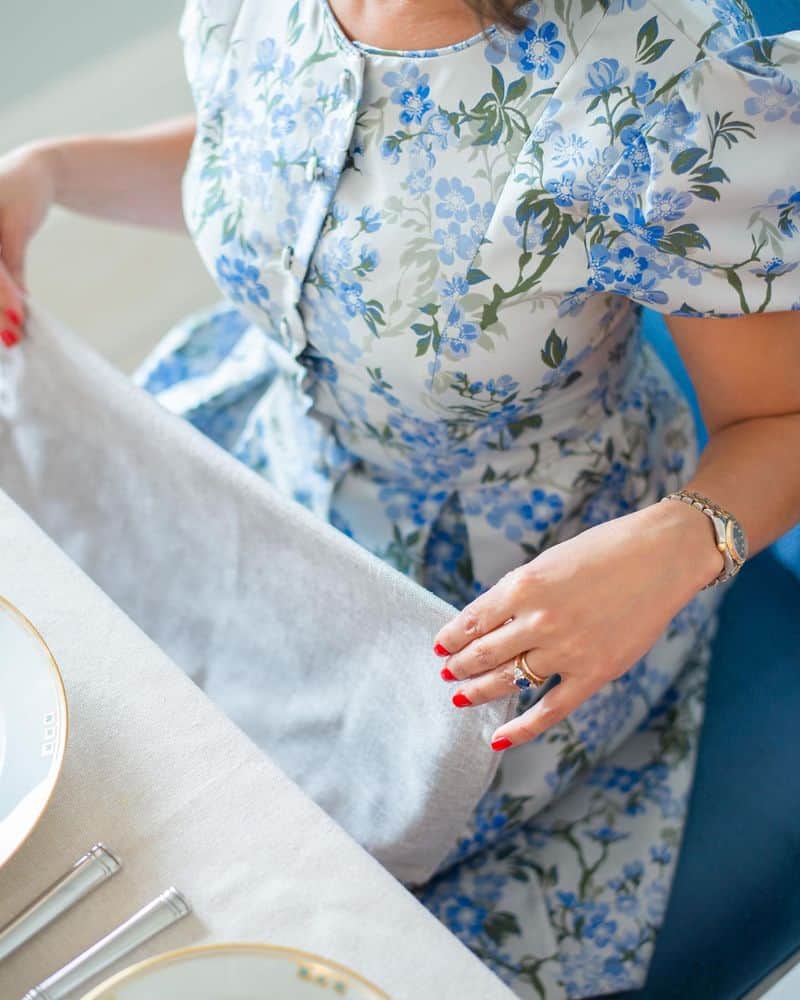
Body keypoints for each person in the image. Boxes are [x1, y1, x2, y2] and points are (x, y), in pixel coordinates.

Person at [1, 0, 798, 995]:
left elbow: (779, 424)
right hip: (259, 471)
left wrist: (678, 544)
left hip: (518, 606)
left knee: (248, 888)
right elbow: (288, 165)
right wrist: (49, 171)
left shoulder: (657, 81)